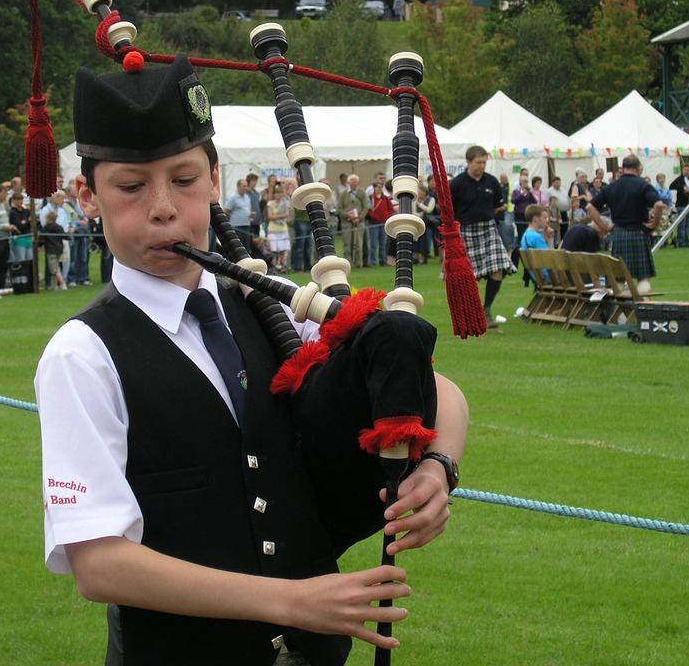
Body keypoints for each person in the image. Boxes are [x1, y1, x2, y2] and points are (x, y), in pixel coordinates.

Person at [36, 55, 468, 666]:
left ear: (214, 180)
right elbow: (99, 562)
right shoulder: (83, 354)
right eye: (131, 186)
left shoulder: (274, 307)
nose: (162, 208)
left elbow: (437, 388)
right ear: (88, 196)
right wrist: (290, 602)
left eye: (184, 180)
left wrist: (438, 468)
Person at [448, 145, 516, 320]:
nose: (482, 166)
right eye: (478, 162)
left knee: (499, 268)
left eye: (484, 162)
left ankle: (486, 309)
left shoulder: (492, 182)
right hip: (465, 232)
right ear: (469, 161)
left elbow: (497, 204)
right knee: (465, 276)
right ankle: (470, 313)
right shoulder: (456, 184)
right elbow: (448, 210)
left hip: (488, 229)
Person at [586, 154, 663, 295]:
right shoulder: (643, 185)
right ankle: (643, 310)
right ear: (639, 168)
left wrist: (605, 227)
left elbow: (590, 208)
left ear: (623, 168)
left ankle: (621, 315)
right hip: (639, 232)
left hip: (619, 233)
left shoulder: (611, 186)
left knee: (619, 277)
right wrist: (654, 225)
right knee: (643, 278)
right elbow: (658, 205)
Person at [337, 173, 368, 268]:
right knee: (347, 245)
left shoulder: (362, 192)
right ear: (348, 183)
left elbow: (365, 207)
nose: (354, 184)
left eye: (356, 182)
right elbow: (340, 208)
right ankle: (348, 264)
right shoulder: (343, 194)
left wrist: (359, 218)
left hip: (359, 222)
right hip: (346, 222)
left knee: (359, 244)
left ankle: (359, 263)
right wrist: (349, 216)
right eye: (352, 182)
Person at [365, 180, 394, 266]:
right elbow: (368, 209)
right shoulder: (370, 198)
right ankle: (372, 261)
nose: (380, 189)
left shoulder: (385, 198)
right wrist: (373, 217)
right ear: (374, 188)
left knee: (383, 243)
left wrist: (387, 216)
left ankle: (382, 260)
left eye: (381, 187)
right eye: (378, 187)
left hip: (383, 223)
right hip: (373, 223)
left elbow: (391, 209)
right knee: (373, 244)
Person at [265, 182, 292, 273]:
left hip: (283, 229)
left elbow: (287, 214)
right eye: (277, 193)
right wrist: (281, 216)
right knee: (273, 249)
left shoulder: (285, 203)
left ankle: (283, 266)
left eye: (280, 193)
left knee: (283, 249)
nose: (279, 195)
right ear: (274, 194)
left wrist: (276, 216)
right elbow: (270, 216)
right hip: (273, 229)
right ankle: (274, 266)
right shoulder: (270, 203)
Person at [41, 209, 68, 290]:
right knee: (56, 266)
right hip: (59, 249)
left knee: (54, 269)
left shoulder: (45, 228)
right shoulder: (58, 227)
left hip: (51, 250)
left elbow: (42, 238)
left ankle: (62, 284)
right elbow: (65, 236)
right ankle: (54, 285)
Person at [9, 192, 34, 262]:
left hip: (28, 238)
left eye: (21, 199)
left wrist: (25, 222)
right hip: (19, 240)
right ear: (13, 200)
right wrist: (27, 221)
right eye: (18, 200)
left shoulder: (26, 211)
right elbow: (19, 225)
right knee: (21, 260)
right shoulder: (13, 213)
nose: (20, 201)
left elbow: (33, 222)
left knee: (30, 260)